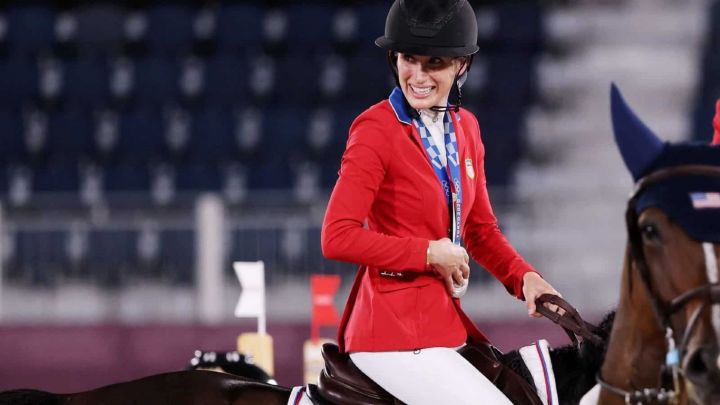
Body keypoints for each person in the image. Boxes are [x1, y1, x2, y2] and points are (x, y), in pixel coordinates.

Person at [320, 0, 563, 404]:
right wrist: (429, 253)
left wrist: (525, 280)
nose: (417, 75)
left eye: (434, 62)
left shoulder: (466, 128)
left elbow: (480, 230)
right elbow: (336, 237)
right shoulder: (375, 130)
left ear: (461, 65)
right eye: (408, 59)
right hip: (390, 331)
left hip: (441, 325)